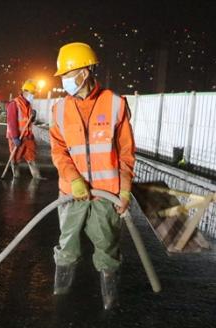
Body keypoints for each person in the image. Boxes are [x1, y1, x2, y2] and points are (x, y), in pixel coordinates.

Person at [49, 42, 136, 310]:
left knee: (107, 250)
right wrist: (74, 179)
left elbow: (126, 154)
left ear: (84, 73)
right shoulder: (60, 109)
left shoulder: (115, 104)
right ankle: (59, 301)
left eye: (67, 74)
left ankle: (111, 304)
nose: (64, 81)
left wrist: (123, 191)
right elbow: (58, 151)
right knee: (67, 248)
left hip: (105, 195)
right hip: (72, 194)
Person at [5, 79, 41, 179]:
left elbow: (28, 121)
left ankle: (37, 177)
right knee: (15, 158)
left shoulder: (28, 104)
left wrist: (33, 116)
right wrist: (15, 137)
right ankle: (16, 176)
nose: (33, 95)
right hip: (17, 137)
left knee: (32, 157)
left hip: (27, 136)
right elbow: (11, 122)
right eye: (32, 93)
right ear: (25, 91)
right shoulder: (14, 104)